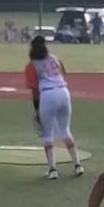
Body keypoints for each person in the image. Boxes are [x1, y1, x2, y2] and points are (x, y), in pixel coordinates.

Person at [24, 35, 82, 179]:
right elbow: (63, 76)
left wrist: (37, 109)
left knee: (48, 134)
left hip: (47, 95)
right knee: (65, 130)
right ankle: (77, 165)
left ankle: (53, 169)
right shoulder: (56, 59)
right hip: (64, 93)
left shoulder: (31, 65)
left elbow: (35, 90)